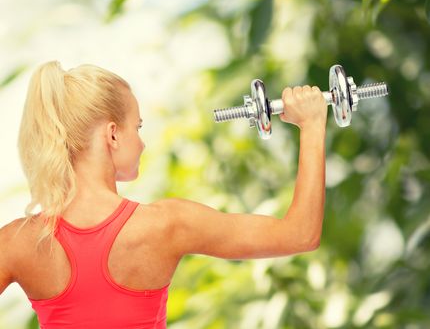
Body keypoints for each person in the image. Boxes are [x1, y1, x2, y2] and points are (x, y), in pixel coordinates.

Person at [0, 60, 327, 328]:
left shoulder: (19, 241)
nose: (141, 142)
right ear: (112, 135)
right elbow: (300, 234)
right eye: (137, 127)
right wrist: (312, 126)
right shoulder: (166, 224)